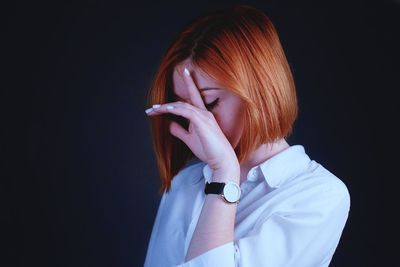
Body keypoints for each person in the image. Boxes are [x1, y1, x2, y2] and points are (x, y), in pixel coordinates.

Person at [143, 4, 350, 267]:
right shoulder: (185, 184)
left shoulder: (319, 196)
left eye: (208, 102)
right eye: (184, 105)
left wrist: (224, 176)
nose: (198, 121)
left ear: (260, 90)